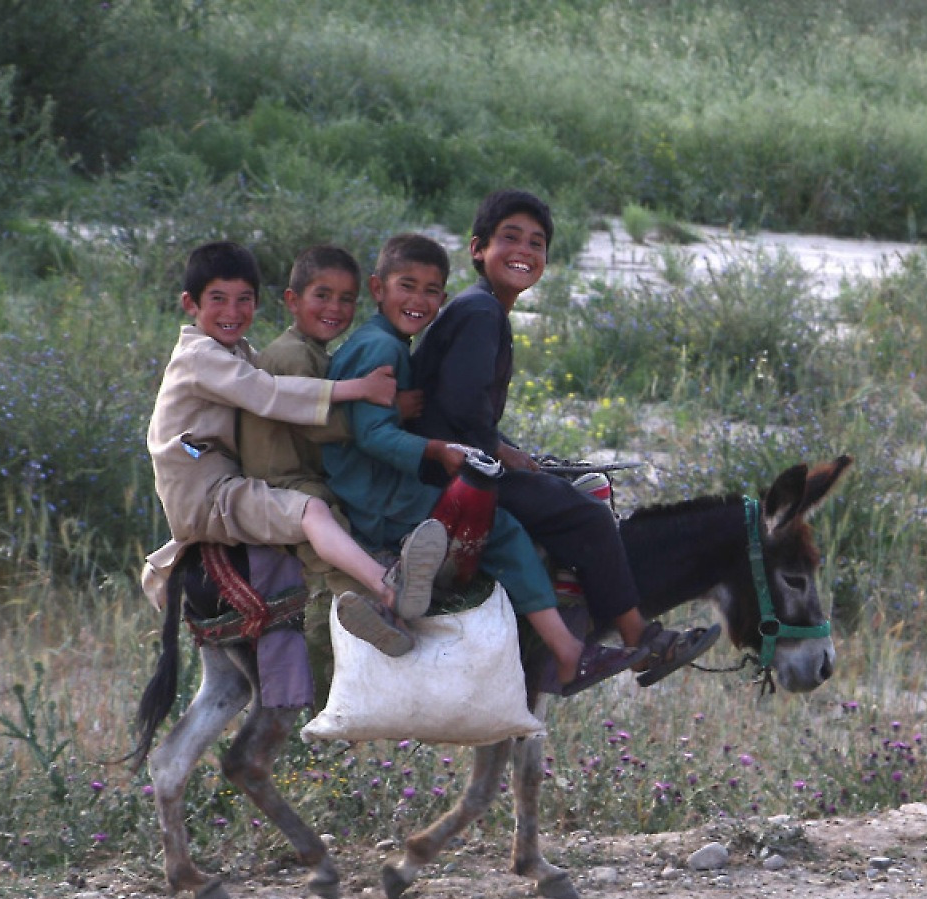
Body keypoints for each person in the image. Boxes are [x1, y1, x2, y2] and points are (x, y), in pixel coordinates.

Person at [408, 190, 721, 687]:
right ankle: (639, 640)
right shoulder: (482, 312)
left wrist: (512, 451)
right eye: (510, 238)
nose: (524, 251)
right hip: (450, 470)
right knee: (589, 517)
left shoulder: (481, 308)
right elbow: (464, 407)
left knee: (563, 483)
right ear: (477, 249)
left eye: (537, 243)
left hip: (460, 456)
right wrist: (502, 453)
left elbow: (461, 407)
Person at [324, 232, 644, 695]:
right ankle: (566, 650)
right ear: (378, 289)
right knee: (502, 527)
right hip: (378, 494)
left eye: (431, 291)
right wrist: (437, 451)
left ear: (445, 297)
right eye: (406, 286)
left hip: (373, 483)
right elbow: (371, 435)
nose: (419, 300)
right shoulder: (383, 349)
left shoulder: (382, 340)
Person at [140, 240, 447, 661]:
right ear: (189, 304)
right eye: (218, 300)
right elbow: (270, 395)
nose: (232, 312)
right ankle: (383, 589)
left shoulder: (239, 352)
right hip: (207, 495)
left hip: (223, 484)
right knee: (314, 512)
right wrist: (366, 393)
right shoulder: (200, 357)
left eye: (243, 300)